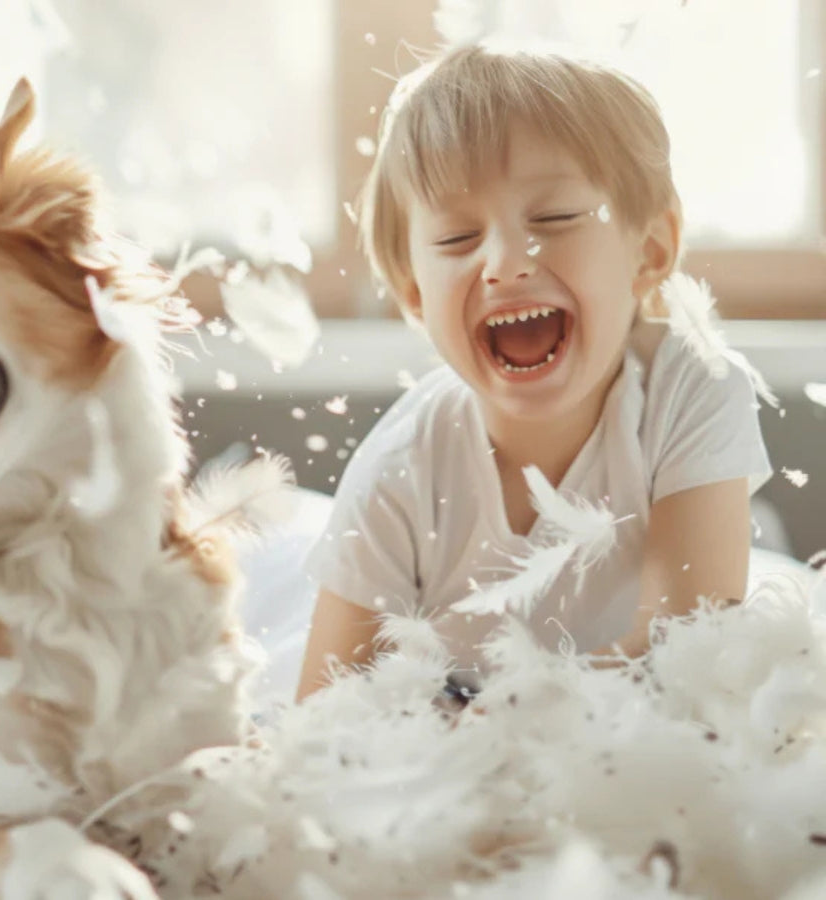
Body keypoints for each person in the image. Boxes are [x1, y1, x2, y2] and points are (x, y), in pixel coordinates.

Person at [296, 43, 772, 700]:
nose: (505, 262)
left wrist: (516, 727)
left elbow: (691, 650)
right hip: (462, 715)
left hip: (607, 720)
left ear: (650, 251)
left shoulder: (690, 385)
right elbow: (323, 714)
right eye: (456, 240)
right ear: (413, 294)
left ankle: (750, 522)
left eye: (555, 218)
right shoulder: (399, 469)